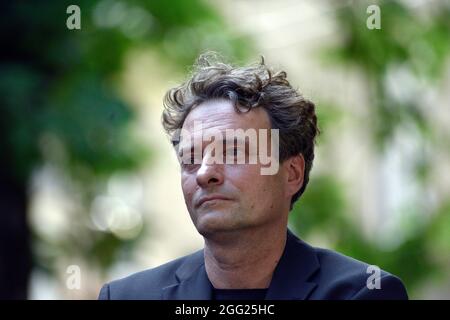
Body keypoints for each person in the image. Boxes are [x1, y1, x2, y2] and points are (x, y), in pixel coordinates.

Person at [98, 53, 408, 300]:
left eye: (233, 152)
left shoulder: (362, 293)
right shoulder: (126, 296)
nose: (205, 173)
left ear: (292, 173)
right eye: (190, 158)